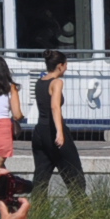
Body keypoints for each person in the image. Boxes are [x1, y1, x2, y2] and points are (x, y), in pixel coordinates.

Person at [31, 49, 85, 195]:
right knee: (75, 177)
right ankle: (83, 214)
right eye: (66, 64)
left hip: (39, 131)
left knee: (40, 179)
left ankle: (37, 213)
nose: (66, 67)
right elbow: (54, 106)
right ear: (60, 66)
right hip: (53, 131)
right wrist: (60, 133)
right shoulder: (57, 82)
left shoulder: (39, 82)